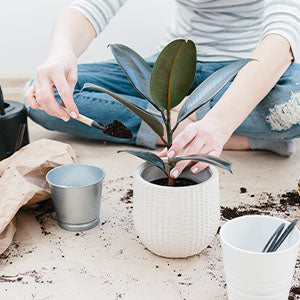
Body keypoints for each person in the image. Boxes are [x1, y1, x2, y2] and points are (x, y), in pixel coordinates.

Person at [25, 0, 300, 179]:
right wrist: (61, 53)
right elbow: (90, 7)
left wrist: (219, 122)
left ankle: (189, 123)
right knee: (43, 94)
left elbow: (283, 34)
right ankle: (245, 136)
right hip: (172, 66)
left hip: (247, 66)